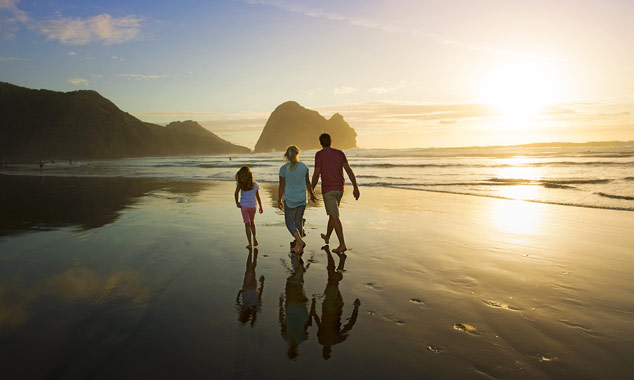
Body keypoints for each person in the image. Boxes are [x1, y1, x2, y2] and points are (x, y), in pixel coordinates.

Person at [310, 133, 360, 253]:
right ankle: (327, 237)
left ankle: (342, 245)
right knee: (333, 215)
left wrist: (311, 189)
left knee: (334, 216)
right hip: (340, 189)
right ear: (331, 141)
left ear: (320, 142)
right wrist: (355, 187)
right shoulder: (340, 153)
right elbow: (348, 170)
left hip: (328, 190)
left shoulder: (319, 155)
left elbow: (316, 173)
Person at [310, 245, 361, 360]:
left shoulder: (336, 340)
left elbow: (349, 325)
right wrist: (313, 305)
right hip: (328, 306)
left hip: (338, 306)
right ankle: (334, 256)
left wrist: (356, 307)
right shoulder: (321, 339)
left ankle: (337, 259)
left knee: (333, 280)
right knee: (332, 279)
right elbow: (317, 320)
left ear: (330, 350)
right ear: (325, 350)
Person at [278, 145, 317, 254]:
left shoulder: (284, 168)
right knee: (298, 222)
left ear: (287, 155)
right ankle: (297, 247)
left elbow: (281, 186)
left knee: (289, 223)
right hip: (301, 200)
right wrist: (312, 194)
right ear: (297, 154)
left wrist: (279, 200)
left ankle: (300, 242)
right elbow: (308, 184)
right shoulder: (303, 167)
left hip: (290, 200)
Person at [235, 166, 263, 248]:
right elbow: (258, 196)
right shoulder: (255, 184)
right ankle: (255, 239)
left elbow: (236, 193)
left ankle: (250, 244)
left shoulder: (240, 184)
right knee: (252, 223)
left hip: (244, 206)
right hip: (253, 206)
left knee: (247, 224)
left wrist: (237, 202)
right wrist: (261, 206)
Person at [236, 248, 265, 326]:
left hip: (253, 287)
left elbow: (260, 294)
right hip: (246, 289)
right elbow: (237, 302)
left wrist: (262, 283)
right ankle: (250, 252)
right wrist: (239, 293)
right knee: (248, 269)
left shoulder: (255, 308)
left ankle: (254, 255)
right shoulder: (244, 307)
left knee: (252, 269)